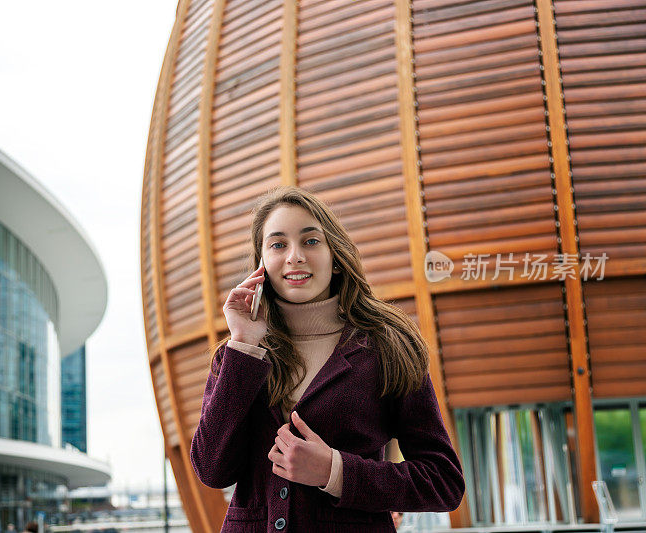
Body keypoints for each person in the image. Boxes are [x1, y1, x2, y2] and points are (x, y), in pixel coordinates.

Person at [190, 186, 465, 531]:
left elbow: (443, 482)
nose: (294, 257)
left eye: (310, 241)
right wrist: (244, 344)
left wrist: (335, 472)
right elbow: (212, 469)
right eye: (277, 244)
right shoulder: (237, 355)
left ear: (335, 257)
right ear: (261, 264)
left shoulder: (388, 346)